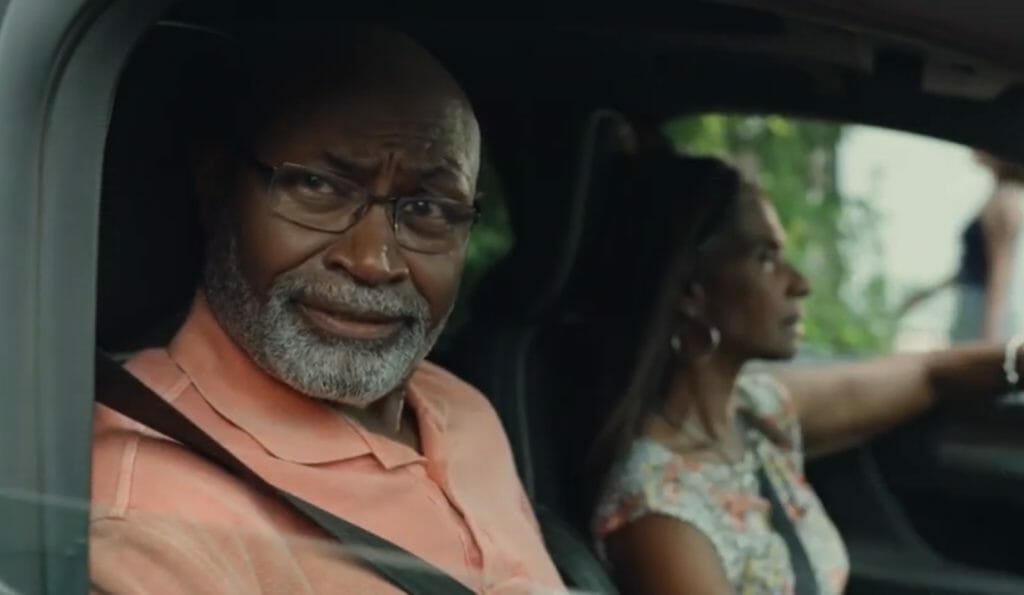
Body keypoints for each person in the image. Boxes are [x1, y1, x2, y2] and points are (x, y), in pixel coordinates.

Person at [89, 24, 563, 595]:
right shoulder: (155, 513)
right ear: (215, 187)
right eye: (318, 186)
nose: (373, 260)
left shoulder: (459, 407)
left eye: (428, 208)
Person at [588, 154, 1024, 595]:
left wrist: (1015, 359)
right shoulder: (659, 510)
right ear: (691, 293)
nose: (800, 283)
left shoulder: (755, 414)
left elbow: (928, 374)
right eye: (765, 259)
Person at [900, 150, 1024, 342]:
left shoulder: (1005, 199)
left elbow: (1001, 270)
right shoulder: (998, 196)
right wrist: (926, 295)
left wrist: (990, 334)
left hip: (982, 309)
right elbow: (972, 267)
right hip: (974, 304)